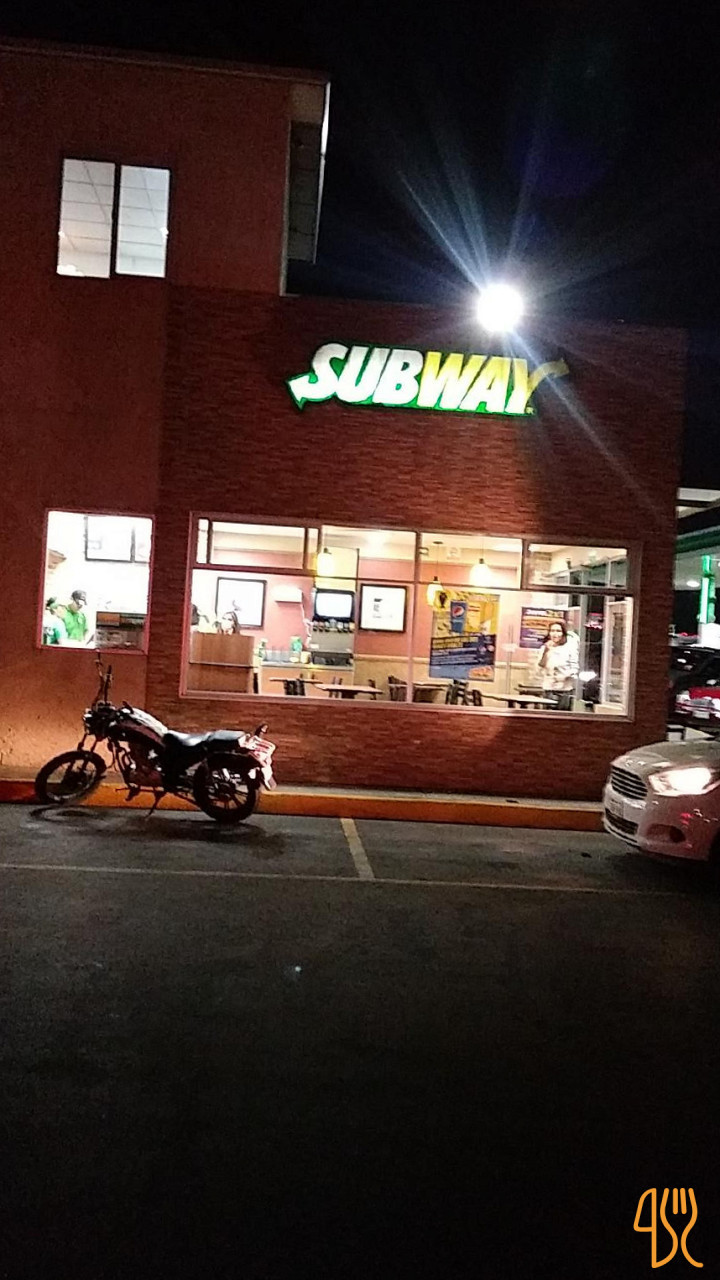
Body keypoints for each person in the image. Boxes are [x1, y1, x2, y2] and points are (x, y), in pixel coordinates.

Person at [536, 620, 579, 710]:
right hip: (549, 688)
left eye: (558, 631)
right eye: (552, 631)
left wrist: (565, 676)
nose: (555, 634)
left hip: (564, 689)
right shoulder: (545, 648)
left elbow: (575, 668)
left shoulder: (569, 648)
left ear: (563, 633)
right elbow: (541, 665)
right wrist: (546, 651)